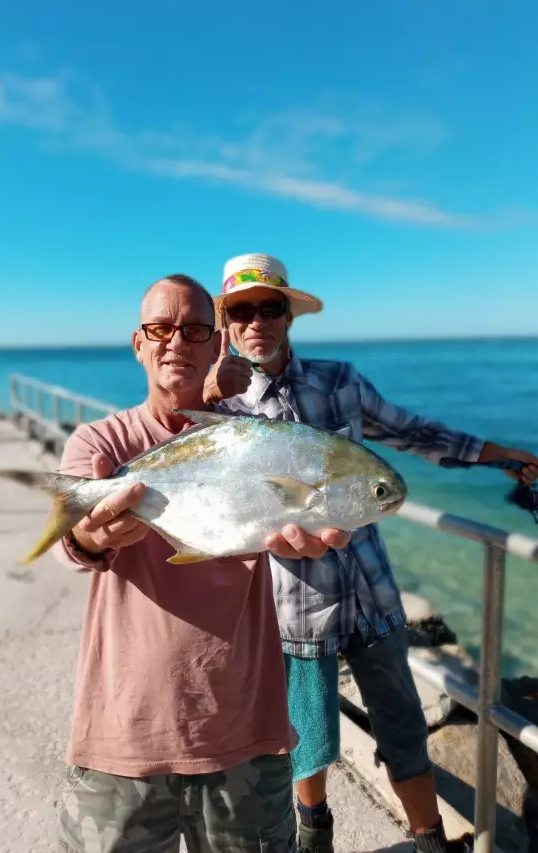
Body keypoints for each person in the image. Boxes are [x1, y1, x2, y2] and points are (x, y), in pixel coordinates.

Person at [203, 253, 538, 853]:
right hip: (294, 611)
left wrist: (498, 454)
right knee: (305, 740)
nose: (257, 321)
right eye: (241, 310)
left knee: (405, 728)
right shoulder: (223, 413)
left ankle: (429, 841)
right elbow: (205, 500)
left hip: (375, 596)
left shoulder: (339, 381)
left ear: (289, 315)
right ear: (227, 323)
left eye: (270, 307)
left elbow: (413, 432)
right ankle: (317, 839)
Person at [51, 273, 351, 853]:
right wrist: (92, 534)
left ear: (218, 345)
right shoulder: (100, 444)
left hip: (247, 733)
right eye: (160, 329)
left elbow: (288, 498)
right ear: (138, 343)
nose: (176, 343)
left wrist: (312, 537)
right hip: (125, 735)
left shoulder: (258, 441)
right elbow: (79, 545)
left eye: (193, 330)